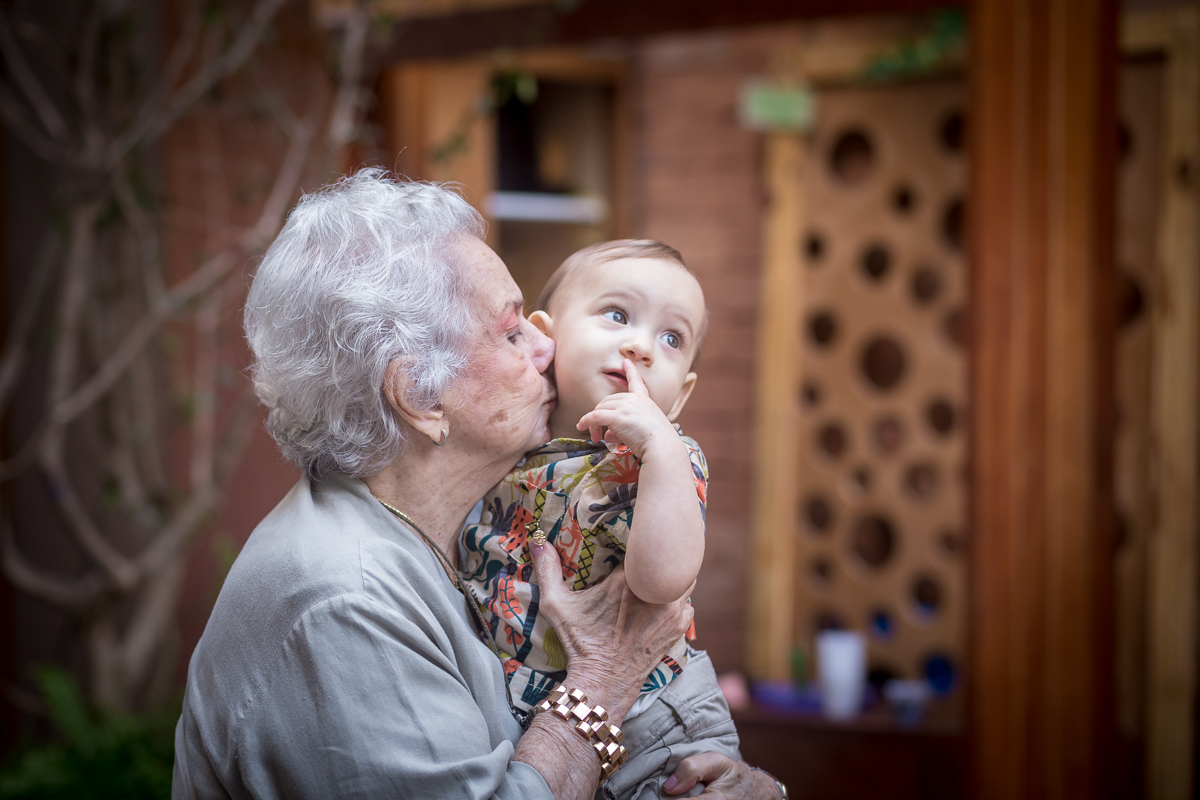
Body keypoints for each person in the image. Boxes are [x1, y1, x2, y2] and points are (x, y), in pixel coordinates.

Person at [171, 169, 783, 800]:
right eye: (514, 331)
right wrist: (602, 678)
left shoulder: (466, 526)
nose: (548, 344)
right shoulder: (345, 603)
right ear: (420, 396)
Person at [460, 241, 741, 798]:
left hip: (657, 720)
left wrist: (661, 448)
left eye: (671, 338)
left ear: (679, 397)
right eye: (617, 315)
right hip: (534, 714)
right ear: (544, 338)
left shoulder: (662, 462)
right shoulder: (509, 446)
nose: (640, 346)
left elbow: (662, 582)